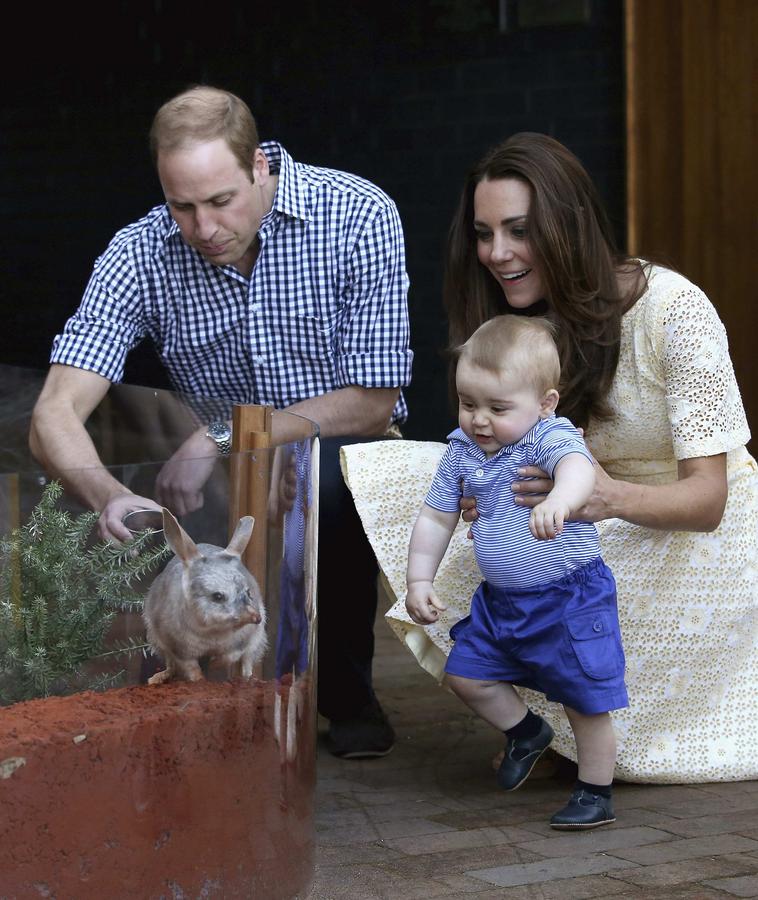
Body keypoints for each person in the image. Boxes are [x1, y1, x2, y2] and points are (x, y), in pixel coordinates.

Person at [339, 131, 758, 784]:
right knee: (397, 481)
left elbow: (710, 500)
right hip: (579, 514)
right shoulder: (519, 326)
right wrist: (487, 490)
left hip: (688, 534)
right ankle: (533, 727)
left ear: (568, 226)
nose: (497, 253)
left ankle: (580, 735)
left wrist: (606, 499)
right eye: (484, 234)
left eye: (518, 230)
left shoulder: (677, 312)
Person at [28, 85, 413, 759]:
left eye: (221, 201)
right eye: (183, 206)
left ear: (260, 166)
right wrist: (110, 496)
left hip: (339, 445)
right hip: (216, 477)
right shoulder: (139, 253)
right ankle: (191, 696)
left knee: (319, 487)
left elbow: (375, 400)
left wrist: (221, 434)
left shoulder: (357, 212)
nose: (203, 228)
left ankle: (342, 692)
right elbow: (53, 415)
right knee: (166, 528)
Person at [406, 314, 626, 828]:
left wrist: (562, 503)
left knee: (585, 699)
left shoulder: (546, 437)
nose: (480, 420)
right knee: (465, 673)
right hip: (502, 601)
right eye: (468, 404)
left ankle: (595, 792)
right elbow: (437, 516)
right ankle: (526, 732)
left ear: (544, 403)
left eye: (497, 408)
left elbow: (577, 469)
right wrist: (420, 579)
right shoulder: (461, 451)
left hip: (569, 596)